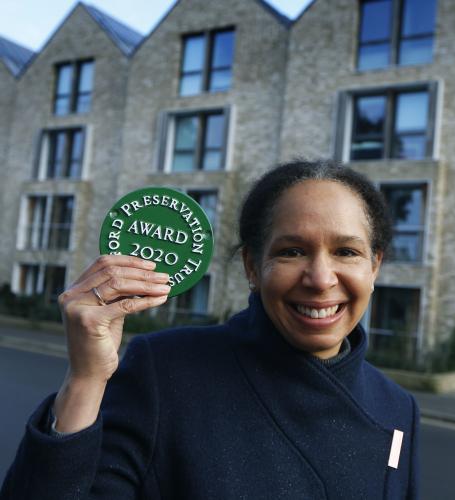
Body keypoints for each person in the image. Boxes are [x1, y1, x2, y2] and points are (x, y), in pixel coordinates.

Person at [1, 160, 419, 499]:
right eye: (292, 251)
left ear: (375, 265)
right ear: (253, 266)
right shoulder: (164, 370)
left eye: (347, 251)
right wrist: (86, 379)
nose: (321, 278)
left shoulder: (397, 407)